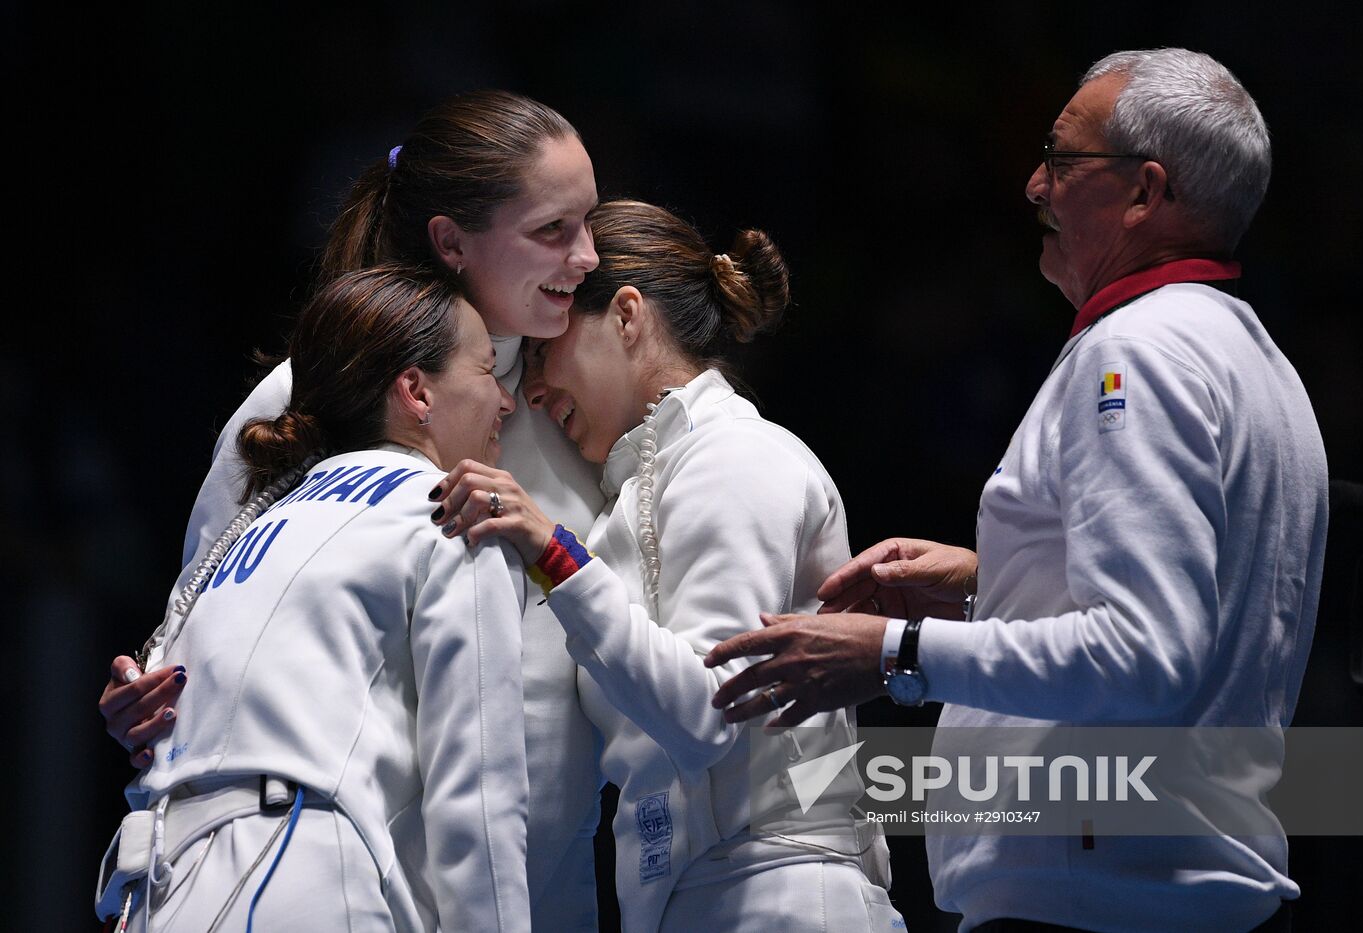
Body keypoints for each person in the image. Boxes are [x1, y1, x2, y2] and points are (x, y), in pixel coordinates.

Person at [707, 48, 1327, 932]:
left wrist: (892, 651)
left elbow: (1143, 657)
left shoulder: (1139, 355)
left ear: (1146, 193)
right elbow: (1193, 616)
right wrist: (989, 581)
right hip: (1156, 889)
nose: (1035, 185)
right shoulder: (1251, 358)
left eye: (1063, 162)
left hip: (1096, 902)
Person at [97, 90, 606, 929]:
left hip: (544, 889)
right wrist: (151, 695)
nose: (587, 256)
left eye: (589, 221)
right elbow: (212, 612)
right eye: (553, 230)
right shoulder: (308, 396)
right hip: (355, 881)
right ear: (451, 241)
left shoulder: (587, 393)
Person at [428, 199, 904, 932]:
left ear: (626, 316)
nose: (532, 389)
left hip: (783, 890)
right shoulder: (639, 495)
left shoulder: (736, 455)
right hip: (695, 901)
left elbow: (711, 706)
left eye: (548, 346)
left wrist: (554, 555)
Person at [95, 266, 527, 931]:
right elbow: (479, 802)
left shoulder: (253, 525)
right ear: (415, 390)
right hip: (301, 874)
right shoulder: (455, 515)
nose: (506, 399)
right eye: (487, 369)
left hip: (157, 889)